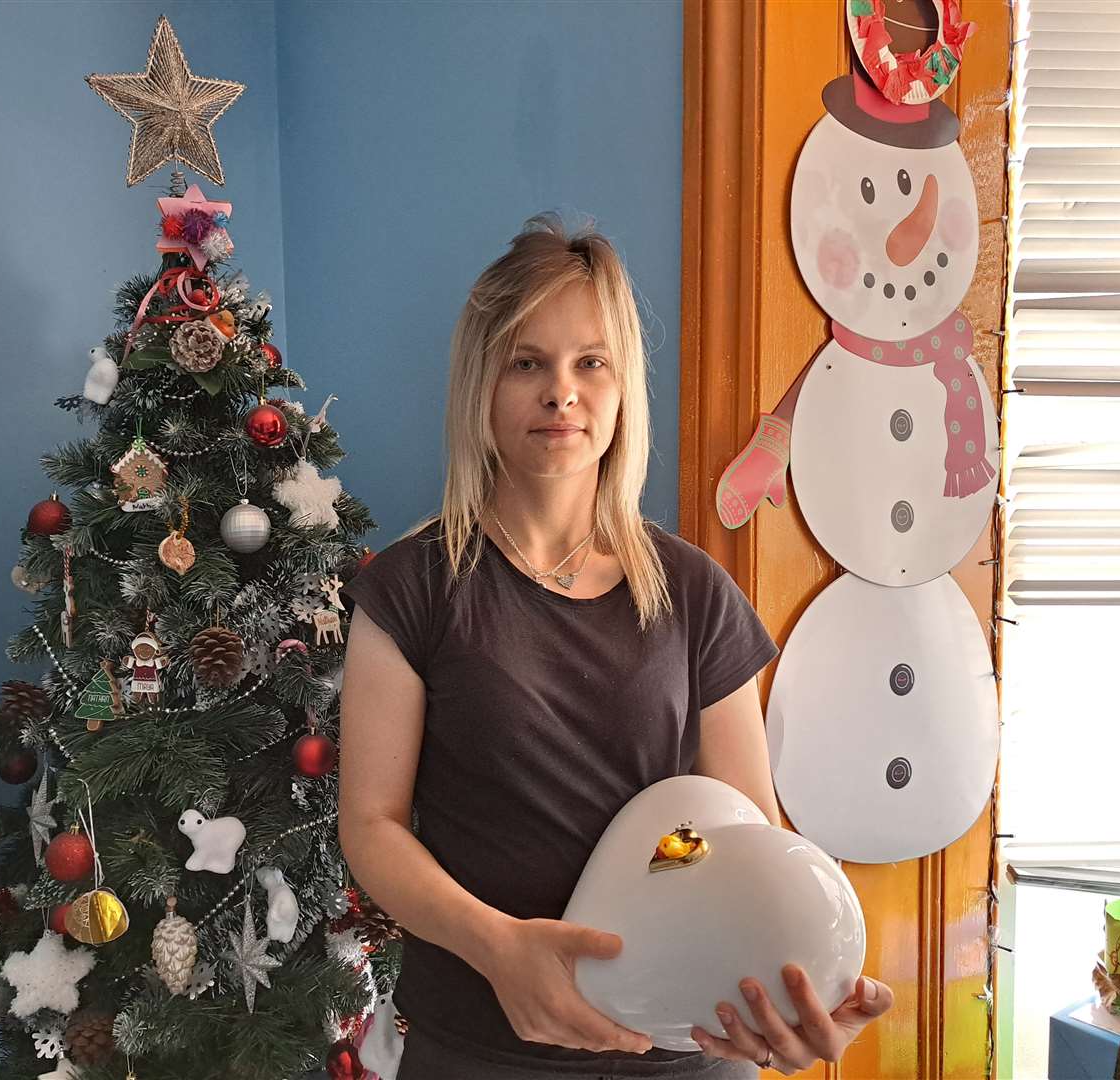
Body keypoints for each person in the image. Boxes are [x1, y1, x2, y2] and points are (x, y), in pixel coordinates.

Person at [337, 213, 893, 1080]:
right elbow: (370, 826)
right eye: (528, 362)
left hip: (686, 1054)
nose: (562, 391)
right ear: (482, 384)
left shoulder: (695, 591)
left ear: (623, 383)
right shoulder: (413, 587)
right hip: (481, 1050)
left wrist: (795, 997)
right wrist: (500, 948)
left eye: (590, 362)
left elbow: (744, 833)